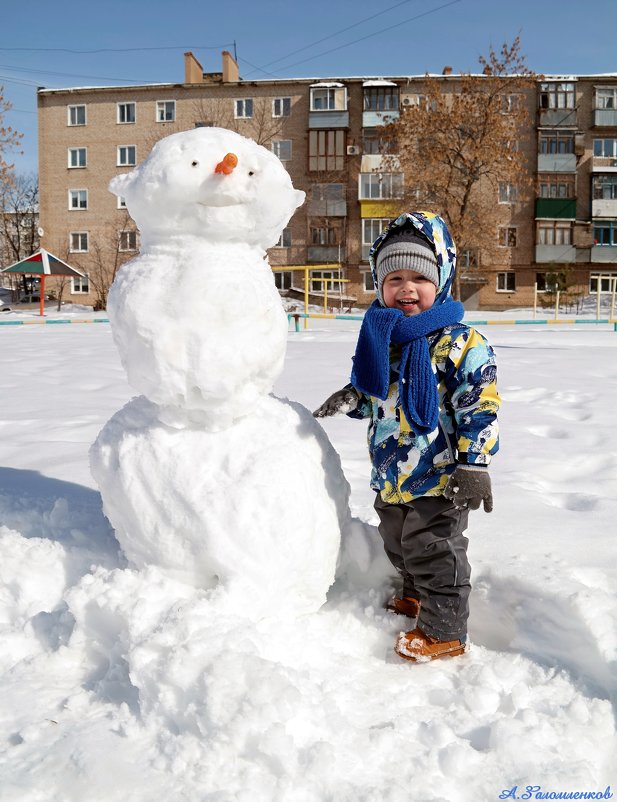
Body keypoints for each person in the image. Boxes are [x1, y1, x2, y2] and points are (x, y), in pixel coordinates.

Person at [314, 211, 500, 662]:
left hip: (440, 477)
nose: (407, 288)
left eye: (420, 276)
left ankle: (445, 631)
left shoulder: (460, 342)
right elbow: (377, 395)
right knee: (398, 544)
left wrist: (473, 464)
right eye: (394, 277)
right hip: (392, 474)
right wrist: (351, 399)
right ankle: (417, 599)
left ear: (442, 280)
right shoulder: (381, 339)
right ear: (379, 285)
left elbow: (480, 406)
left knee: (435, 551)